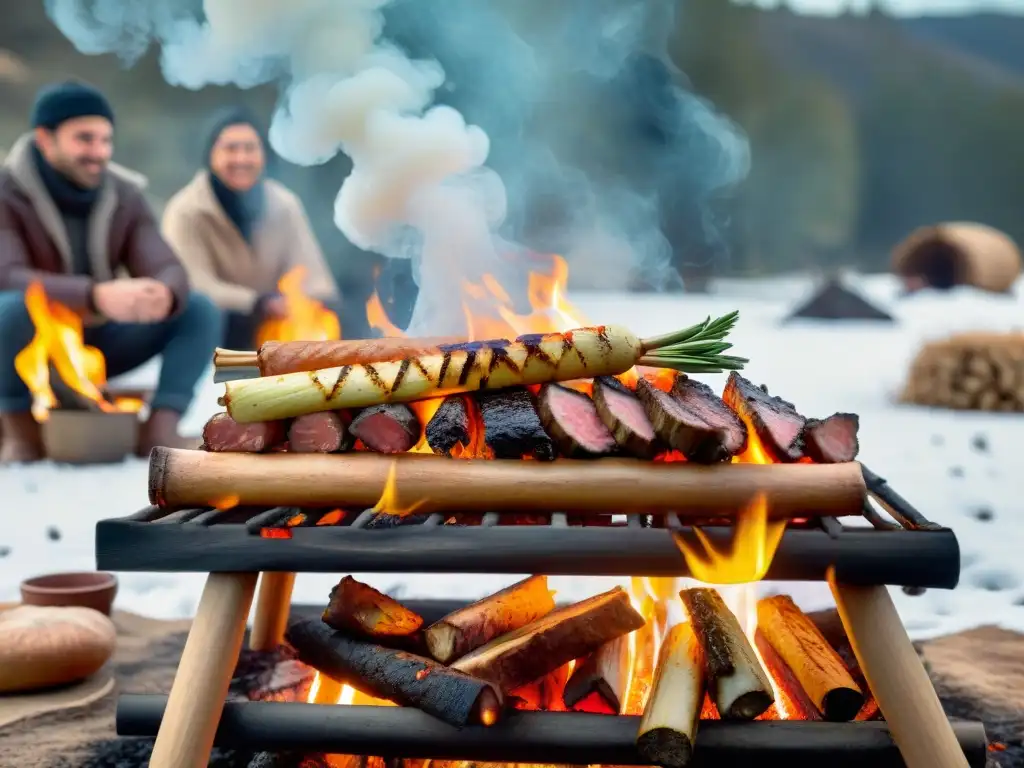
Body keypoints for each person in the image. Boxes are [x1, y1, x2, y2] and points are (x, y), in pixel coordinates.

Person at [0, 81, 223, 463]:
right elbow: (8, 275)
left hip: (97, 343)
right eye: (84, 139)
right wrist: (94, 295)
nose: (99, 152)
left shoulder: (124, 195)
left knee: (199, 308)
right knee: (14, 308)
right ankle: (20, 433)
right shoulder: (5, 191)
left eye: (106, 140)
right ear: (44, 138)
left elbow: (166, 265)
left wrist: (164, 293)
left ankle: (159, 430)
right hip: (26, 346)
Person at [162, 107, 339, 349]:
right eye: (231, 149)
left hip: (277, 326)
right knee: (203, 315)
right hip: (220, 328)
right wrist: (258, 303)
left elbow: (313, 274)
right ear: (211, 156)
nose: (241, 159)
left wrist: (301, 301)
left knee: (340, 313)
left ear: (263, 155)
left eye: (250, 149)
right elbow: (194, 286)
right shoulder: (186, 210)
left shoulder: (284, 204)